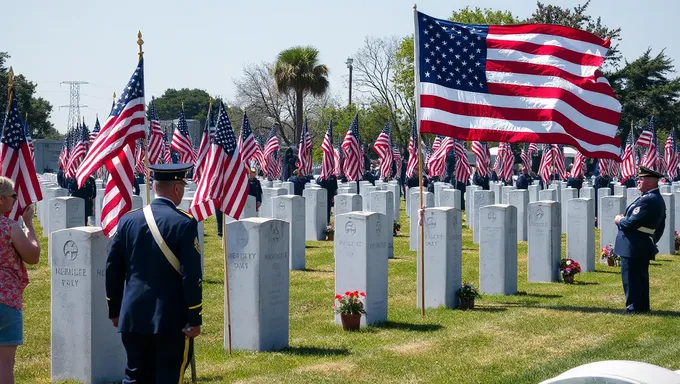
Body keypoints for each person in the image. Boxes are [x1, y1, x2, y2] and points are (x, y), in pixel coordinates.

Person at [106, 163, 202, 383]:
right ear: (177, 189)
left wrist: (114, 309)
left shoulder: (128, 220)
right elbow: (191, 276)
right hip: (170, 319)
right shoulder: (184, 223)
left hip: (132, 315)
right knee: (167, 376)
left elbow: (113, 269)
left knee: (135, 376)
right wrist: (194, 317)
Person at [0, 177, 40, 384]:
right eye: (13, 196)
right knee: (4, 362)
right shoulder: (9, 227)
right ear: (1, 200)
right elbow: (33, 256)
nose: (16, 200)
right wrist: (29, 226)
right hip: (5, 299)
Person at [614, 166, 666, 315]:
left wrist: (619, 220)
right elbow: (661, 225)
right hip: (640, 243)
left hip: (634, 244)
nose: (638, 181)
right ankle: (642, 306)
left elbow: (630, 223)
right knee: (640, 277)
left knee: (631, 278)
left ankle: (634, 308)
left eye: (641, 179)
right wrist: (651, 239)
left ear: (650, 181)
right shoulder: (652, 198)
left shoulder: (648, 200)